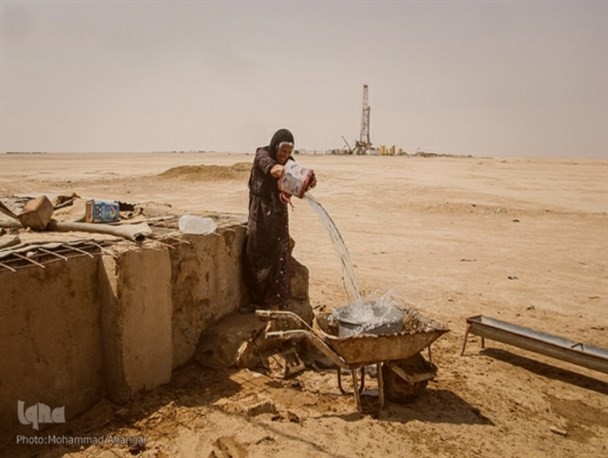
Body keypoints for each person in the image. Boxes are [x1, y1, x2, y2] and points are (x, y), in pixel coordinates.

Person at [241, 128, 316, 313]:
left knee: (279, 255)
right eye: (283, 151)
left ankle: (275, 301)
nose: (285, 155)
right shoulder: (263, 155)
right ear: (275, 146)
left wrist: (308, 181)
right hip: (260, 211)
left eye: (289, 152)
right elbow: (275, 170)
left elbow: (296, 184)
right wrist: (293, 173)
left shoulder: (289, 162)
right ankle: (258, 301)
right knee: (255, 254)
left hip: (278, 212)